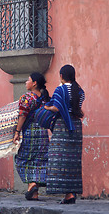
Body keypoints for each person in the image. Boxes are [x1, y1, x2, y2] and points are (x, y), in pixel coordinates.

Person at [44, 65, 85, 204]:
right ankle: (71, 193)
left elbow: (56, 108)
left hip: (63, 126)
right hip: (76, 126)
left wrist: (46, 107)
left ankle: (68, 194)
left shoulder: (60, 89)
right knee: (73, 162)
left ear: (61, 75)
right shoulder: (80, 91)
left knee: (58, 159)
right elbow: (77, 107)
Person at [13, 72, 50, 201]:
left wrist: (17, 131)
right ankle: (34, 193)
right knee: (39, 161)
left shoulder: (26, 98)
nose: (26, 82)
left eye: (28, 80)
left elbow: (22, 115)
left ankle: (31, 184)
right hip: (43, 133)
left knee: (22, 159)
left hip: (30, 132)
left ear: (34, 83)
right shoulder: (45, 98)